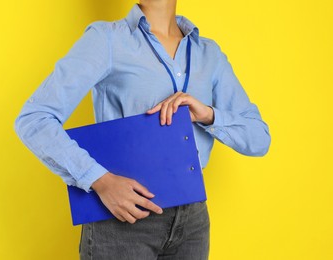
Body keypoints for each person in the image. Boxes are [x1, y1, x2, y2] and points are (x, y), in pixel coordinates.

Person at [14, 0, 271, 259]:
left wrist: (208, 115)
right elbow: (34, 119)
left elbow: (259, 138)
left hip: (192, 220)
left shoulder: (209, 54)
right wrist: (99, 180)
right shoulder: (107, 39)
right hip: (123, 219)